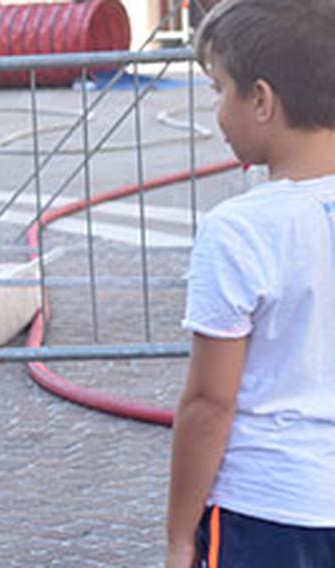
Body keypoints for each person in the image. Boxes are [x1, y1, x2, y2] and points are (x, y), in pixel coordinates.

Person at [166, 1, 335, 567]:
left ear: (261, 100)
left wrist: (179, 535)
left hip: (268, 507)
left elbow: (210, 402)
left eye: (218, 90)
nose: (216, 111)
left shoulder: (240, 229)